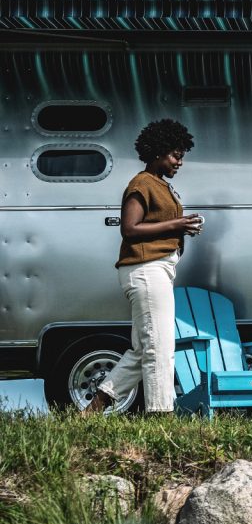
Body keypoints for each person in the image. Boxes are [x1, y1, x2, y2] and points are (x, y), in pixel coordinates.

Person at [84, 119, 202, 415]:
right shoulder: (142, 184)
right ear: (158, 152)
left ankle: (93, 410)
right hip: (146, 269)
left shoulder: (161, 184)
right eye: (176, 155)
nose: (180, 162)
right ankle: (161, 413)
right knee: (160, 347)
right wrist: (176, 224)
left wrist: (182, 229)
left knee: (143, 349)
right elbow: (129, 228)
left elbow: (156, 226)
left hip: (157, 269)